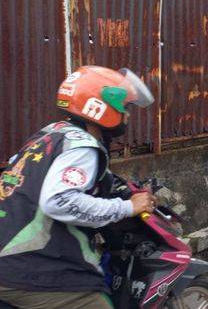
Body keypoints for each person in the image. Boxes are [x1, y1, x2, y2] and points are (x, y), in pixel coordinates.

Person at [0, 66, 157, 308]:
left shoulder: (50, 134)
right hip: (32, 270)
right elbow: (59, 201)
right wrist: (126, 207)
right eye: (125, 108)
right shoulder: (83, 148)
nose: (127, 115)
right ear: (102, 106)